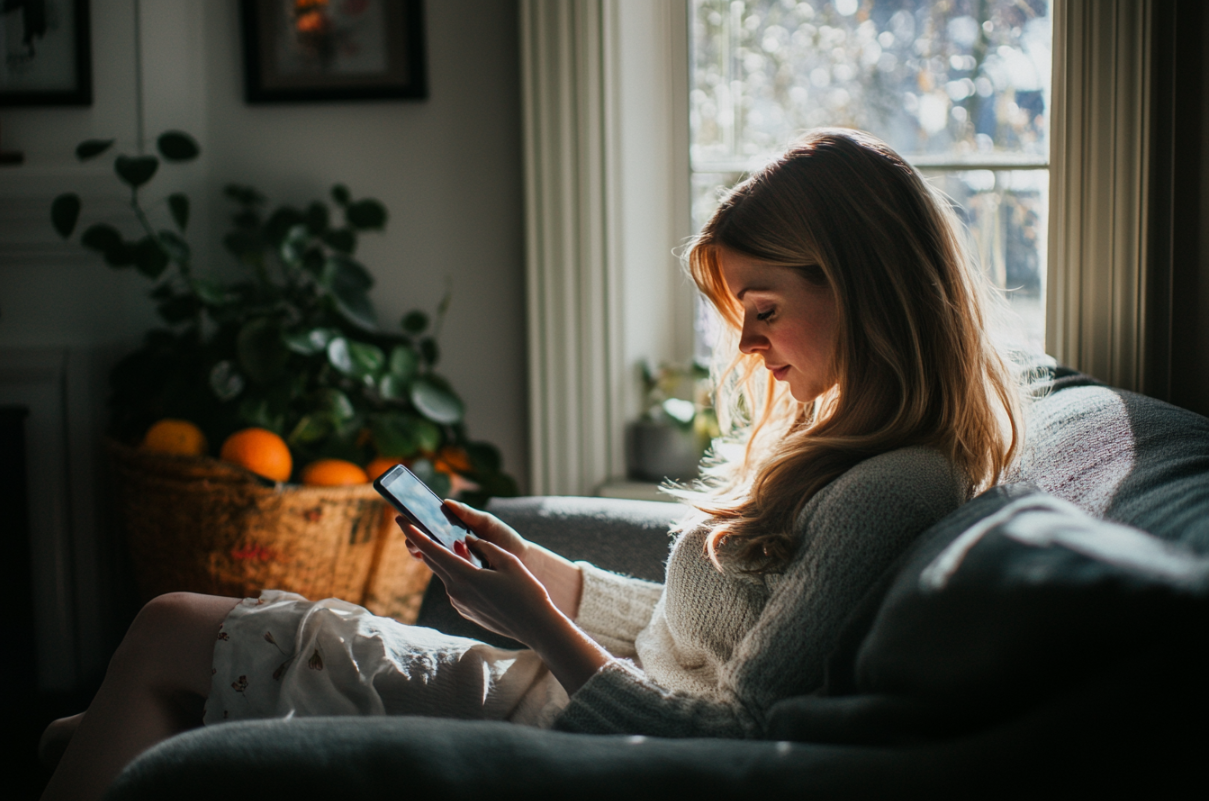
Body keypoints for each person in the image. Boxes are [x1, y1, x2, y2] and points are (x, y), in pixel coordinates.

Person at [41, 128, 1024, 800]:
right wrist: (552, 581)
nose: (748, 349)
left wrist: (543, 627)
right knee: (94, 731)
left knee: (164, 638)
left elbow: (740, 744)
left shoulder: (889, 489)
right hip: (561, 694)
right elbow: (711, 638)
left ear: (865, 286)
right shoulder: (848, 446)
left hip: (564, 736)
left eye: (764, 310)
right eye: (740, 319)